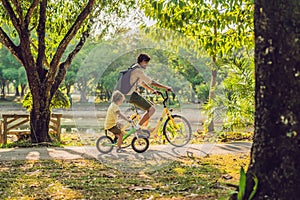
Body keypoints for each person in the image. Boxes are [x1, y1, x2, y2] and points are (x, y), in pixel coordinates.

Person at [125, 53, 173, 131]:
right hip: (131, 95)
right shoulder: (138, 71)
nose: (147, 65)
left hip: (129, 94)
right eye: (146, 63)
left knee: (151, 106)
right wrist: (166, 87)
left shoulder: (134, 68)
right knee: (152, 109)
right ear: (143, 61)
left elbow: (142, 83)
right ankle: (138, 128)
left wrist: (153, 90)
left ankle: (143, 127)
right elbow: (151, 82)